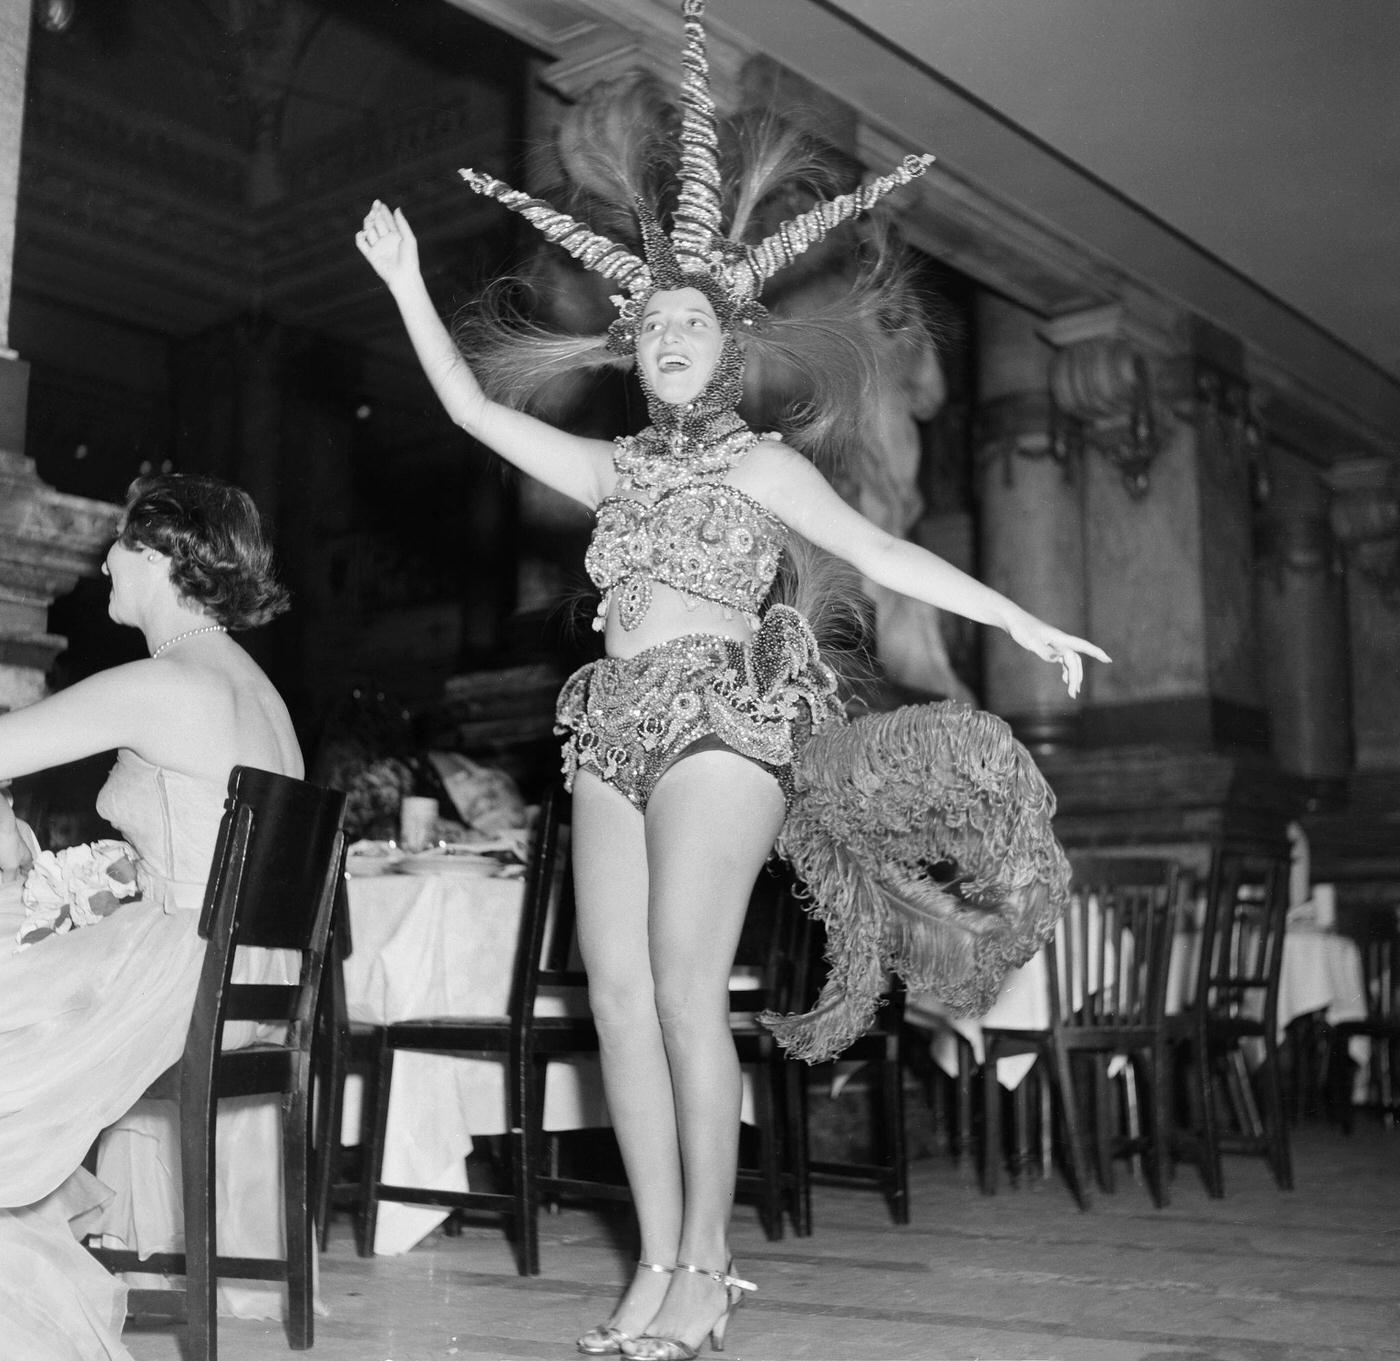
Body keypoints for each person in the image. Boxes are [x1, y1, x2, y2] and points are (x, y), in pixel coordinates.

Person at [358, 6, 1108, 1357]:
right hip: (610, 728)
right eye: (649, 330)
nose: (668, 340)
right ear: (634, 354)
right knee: (620, 1001)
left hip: (725, 721)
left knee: (686, 988)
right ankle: (654, 1259)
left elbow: (882, 552)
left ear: (729, 342)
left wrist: (1023, 616)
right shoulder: (614, 469)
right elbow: (475, 412)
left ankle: (710, 1266)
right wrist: (409, 284)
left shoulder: (763, 466)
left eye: (691, 325)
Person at [0, 472, 297, 1361]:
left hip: (182, 969)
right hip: (252, 977)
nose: (103, 560)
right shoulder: (260, 691)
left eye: (124, 541)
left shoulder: (163, 682)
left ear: (168, 553)